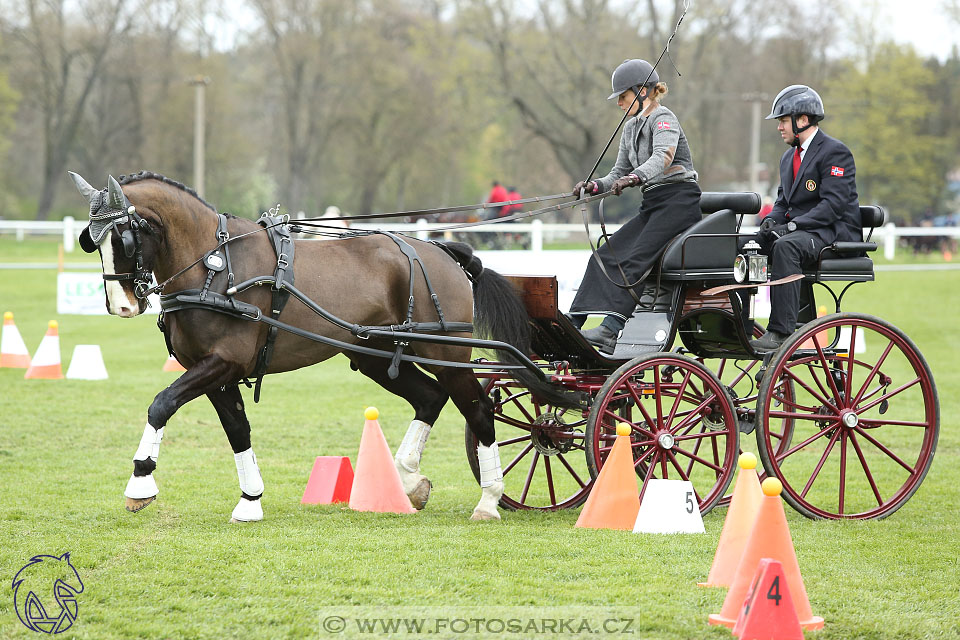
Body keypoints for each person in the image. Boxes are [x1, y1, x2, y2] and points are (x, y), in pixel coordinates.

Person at [568, 58, 701, 354]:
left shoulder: (664, 118)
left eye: (623, 97)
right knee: (605, 254)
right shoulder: (630, 128)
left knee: (635, 260)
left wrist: (635, 177)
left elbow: (662, 157)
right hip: (654, 204)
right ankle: (573, 322)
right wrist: (593, 186)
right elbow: (617, 172)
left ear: (642, 91)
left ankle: (610, 329)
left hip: (679, 202)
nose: (619, 104)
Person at [750, 85, 862, 352]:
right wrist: (770, 224)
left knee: (785, 246)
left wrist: (792, 226)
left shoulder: (835, 152)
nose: (779, 127)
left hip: (834, 231)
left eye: (782, 121)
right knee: (749, 244)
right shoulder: (789, 157)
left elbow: (833, 206)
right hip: (803, 231)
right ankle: (740, 322)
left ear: (802, 120)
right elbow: (782, 203)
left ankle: (780, 331)